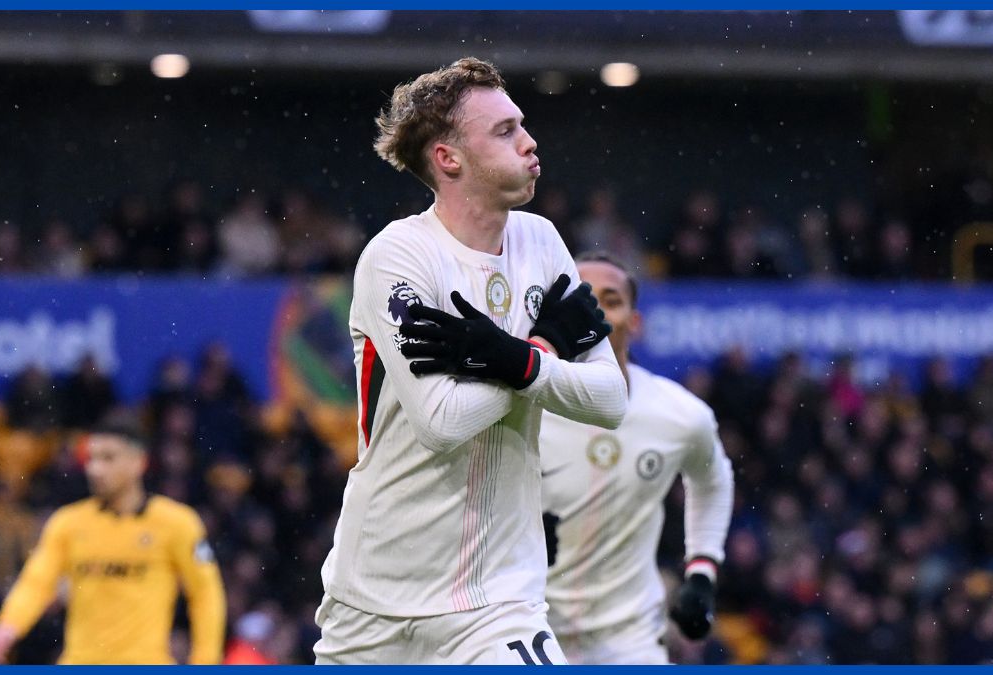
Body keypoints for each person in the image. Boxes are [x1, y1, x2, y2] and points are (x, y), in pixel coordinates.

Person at [315, 57, 628, 665]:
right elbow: (442, 423)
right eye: (505, 131)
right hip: (375, 601)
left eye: (522, 126)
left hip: (499, 599)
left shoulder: (541, 241)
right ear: (449, 158)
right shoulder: (398, 256)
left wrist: (516, 361)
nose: (529, 142)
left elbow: (611, 401)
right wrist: (541, 352)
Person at [540, 252, 735, 664]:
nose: (594, 312)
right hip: (529, 627)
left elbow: (714, 482)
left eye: (610, 301)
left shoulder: (679, 415)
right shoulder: (523, 406)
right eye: (582, 299)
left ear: (635, 321)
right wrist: (517, 523)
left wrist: (702, 571)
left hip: (630, 638)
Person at [0, 417, 226, 665]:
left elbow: (205, 592)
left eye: (108, 458)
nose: (95, 469)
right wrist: (10, 623)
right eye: (91, 459)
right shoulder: (68, 523)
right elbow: (37, 581)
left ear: (138, 463)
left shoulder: (177, 523)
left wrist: (206, 659)